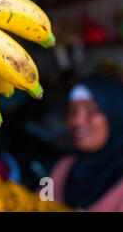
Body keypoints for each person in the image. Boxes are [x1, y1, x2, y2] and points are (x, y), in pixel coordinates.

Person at [50, 75, 123, 211]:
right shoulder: (64, 167)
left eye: (92, 111)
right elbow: (38, 203)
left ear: (116, 115)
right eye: (72, 111)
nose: (77, 121)